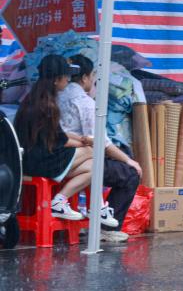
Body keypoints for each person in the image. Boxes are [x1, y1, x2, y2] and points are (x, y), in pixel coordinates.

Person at [58, 55, 142, 243]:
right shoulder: (84, 102)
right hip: (74, 162)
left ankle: (97, 213)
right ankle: (106, 229)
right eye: (92, 77)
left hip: (55, 157)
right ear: (85, 77)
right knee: (131, 173)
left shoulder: (56, 95)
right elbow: (100, 143)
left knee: (115, 159)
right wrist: (129, 161)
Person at [13, 55, 102, 223]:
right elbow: (62, 140)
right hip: (39, 161)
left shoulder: (34, 99)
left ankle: (60, 200)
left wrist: (82, 139)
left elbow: (57, 134)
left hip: (30, 158)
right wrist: (86, 142)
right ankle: (60, 202)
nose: (68, 80)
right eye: (66, 76)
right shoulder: (47, 105)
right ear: (56, 80)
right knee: (94, 152)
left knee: (94, 167)